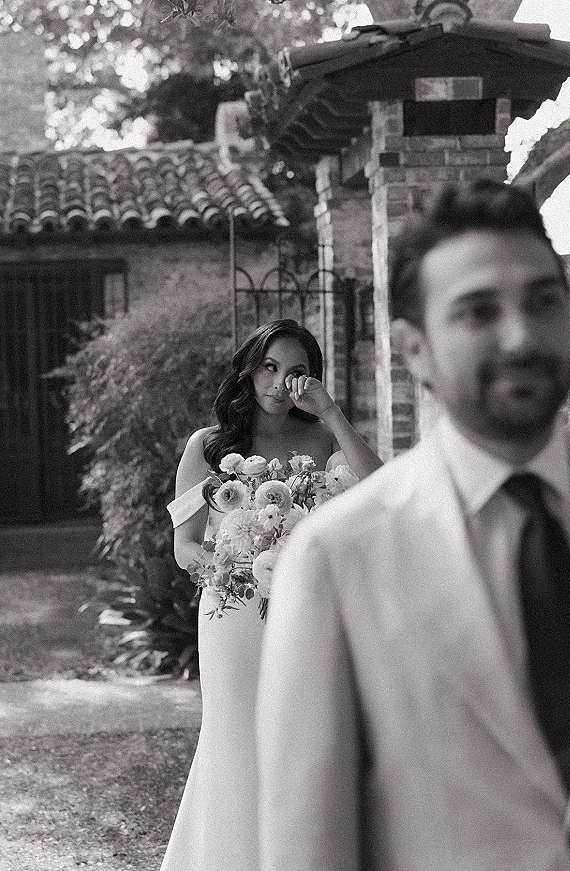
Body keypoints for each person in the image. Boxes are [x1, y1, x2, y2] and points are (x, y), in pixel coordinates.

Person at [257, 179, 570, 871]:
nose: (522, 337)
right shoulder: (336, 557)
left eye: (543, 302)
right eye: (478, 312)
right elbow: (308, 848)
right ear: (413, 350)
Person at [159, 318, 382, 871]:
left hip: (307, 613)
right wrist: (226, 566)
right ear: (249, 370)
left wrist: (331, 413)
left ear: (312, 379)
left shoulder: (324, 439)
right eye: (269, 367)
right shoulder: (208, 446)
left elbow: (381, 490)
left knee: (305, 738)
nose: (280, 384)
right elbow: (184, 546)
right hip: (234, 609)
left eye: (296, 372)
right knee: (234, 737)